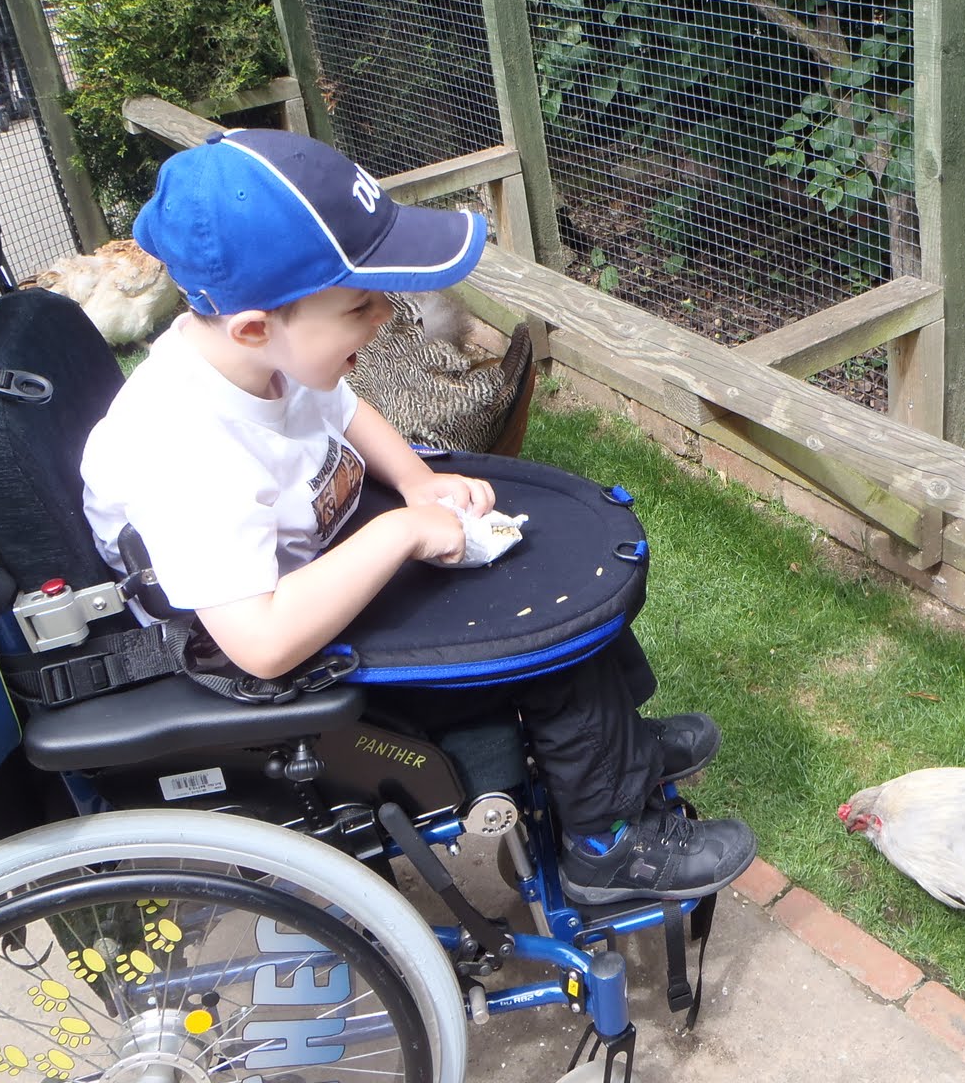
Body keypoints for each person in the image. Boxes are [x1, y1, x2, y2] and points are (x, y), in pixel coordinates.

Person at [80, 128, 756, 905]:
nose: (384, 316)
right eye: (359, 304)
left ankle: (616, 750)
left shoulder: (264, 357)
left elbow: (344, 410)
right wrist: (398, 531)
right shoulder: (187, 451)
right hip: (271, 656)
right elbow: (261, 646)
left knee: (559, 568)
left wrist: (414, 481)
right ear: (255, 327)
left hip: (314, 568)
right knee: (541, 639)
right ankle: (607, 845)